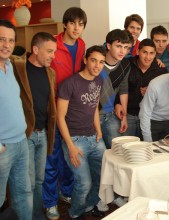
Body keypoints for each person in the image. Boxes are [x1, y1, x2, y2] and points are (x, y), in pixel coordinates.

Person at [43, 7, 87, 220]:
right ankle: (50, 202)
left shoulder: (81, 45)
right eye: (73, 23)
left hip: (73, 109)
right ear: (65, 24)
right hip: (52, 108)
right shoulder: (52, 44)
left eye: (81, 24)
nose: (77, 28)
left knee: (71, 156)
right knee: (52, 157)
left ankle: (66, 192)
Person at [57, 45, 106, 219]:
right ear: (85, 60)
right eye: (93, 60)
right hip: (75, 140)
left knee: (103, 178)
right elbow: (60, 117)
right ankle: (75, 213)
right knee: (84, 183)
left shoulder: (99, 80)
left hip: (94, 136)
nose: (97, 65)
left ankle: (89, 205)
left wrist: (99, 130)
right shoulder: (69, 84)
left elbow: (94, 107)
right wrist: (69, 145)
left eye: (101, 62)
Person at [11, 32, 56, 220]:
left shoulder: (50, 73)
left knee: (39, 180)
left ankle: (37, 215)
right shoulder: (16, 67)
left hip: (43, 134)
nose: (53, 56)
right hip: (25, 135)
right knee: (26, 184)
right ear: (35, 49)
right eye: (49, 51)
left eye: (54, 52)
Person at [0, 19, 33, 220]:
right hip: (3, 147)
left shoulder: (10, 65)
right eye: (1, 39)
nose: (7, 45)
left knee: (24, 194)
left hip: (21, 142)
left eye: (11, 40)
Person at [115, 38, 168, 138]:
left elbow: (166, 96)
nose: (148, 57)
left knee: (149, 149)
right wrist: (117, 103)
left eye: (151, 53)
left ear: (155, 54)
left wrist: (153, 92)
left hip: (151, 117)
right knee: (127, 149)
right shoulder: (126, 64)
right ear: (138, 51)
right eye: (145, 52)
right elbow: (117, 87)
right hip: (128, 115)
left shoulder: (161, 70)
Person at [99, 29, 131, 150]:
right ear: (108, 45)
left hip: (111, 114)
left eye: (125, 47)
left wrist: (124, 118)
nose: (122, 51)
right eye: (118, 46)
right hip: (93, 116)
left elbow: (123, 89)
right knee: (99, 155)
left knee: (118, 151)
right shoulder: (97, 62)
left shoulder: (125, 64)